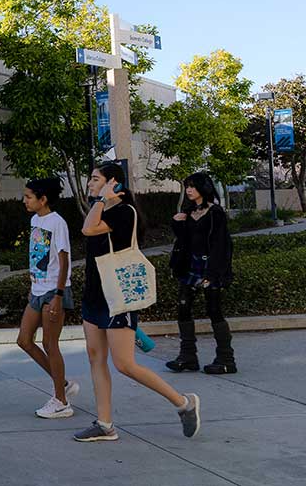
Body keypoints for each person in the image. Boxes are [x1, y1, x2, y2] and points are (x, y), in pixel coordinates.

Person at [75, 163, 202, 442]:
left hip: (117, 296)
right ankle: (105, 424)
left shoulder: (123, 212)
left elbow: (88, 229)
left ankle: (183, 403)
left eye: (95, 180)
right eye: (90, 180)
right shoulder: (104, 208)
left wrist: (102, 199)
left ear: (114, 183)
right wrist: (100, 201)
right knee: (96, 358)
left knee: (125, 364)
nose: (89, 184)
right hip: (94, 296)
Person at [16, 178, 79, 419]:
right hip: (37, 289)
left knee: (50, 344)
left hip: (54, 291)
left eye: (29, 197)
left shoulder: (57, 222)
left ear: (43, 199)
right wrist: (33, 285)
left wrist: (59, 295)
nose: (25, 200)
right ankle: (61, 384)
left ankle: (62, 402)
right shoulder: (35, 220)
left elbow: (64, 260)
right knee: (24, 340)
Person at [166, 172, 236, 374]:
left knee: (214, 309)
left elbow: (221, 244)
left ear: (203, 188)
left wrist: (212, 274)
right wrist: (177, 223)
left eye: (192, 186)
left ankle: (226, 358)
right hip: (189, 267)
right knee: (183, 307)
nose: (188, 190)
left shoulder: (215, 213)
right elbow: (184, 241)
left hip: (210, 267)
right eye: (186, 186)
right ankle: (188, 356)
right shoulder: (187, 212)